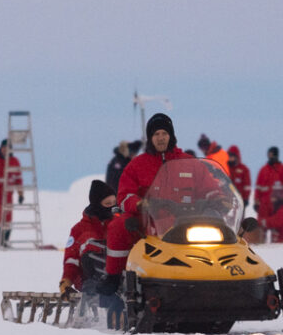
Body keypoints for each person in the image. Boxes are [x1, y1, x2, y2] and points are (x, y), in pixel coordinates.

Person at [104, 113, 188, 279]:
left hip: (184, 221)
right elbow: (124, 195)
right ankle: (114, 277)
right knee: (119, 225)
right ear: (150, 138)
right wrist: (139, 204)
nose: (161, 138)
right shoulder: (137, 165)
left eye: (164, 133)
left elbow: (210, 186)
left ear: (171, 136)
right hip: (148, 223)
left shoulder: (188, 162)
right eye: (156, 134)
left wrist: (219, 197)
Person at [61, 179, 116, 295]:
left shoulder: (119, 224)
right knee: (91, 246)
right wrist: (67, 280)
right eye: (107, 204)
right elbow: (71, 259)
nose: (112, 207)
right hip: (88, 282)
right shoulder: (79, 229)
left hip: (116, 280)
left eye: (114, 203)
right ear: (96, 204)